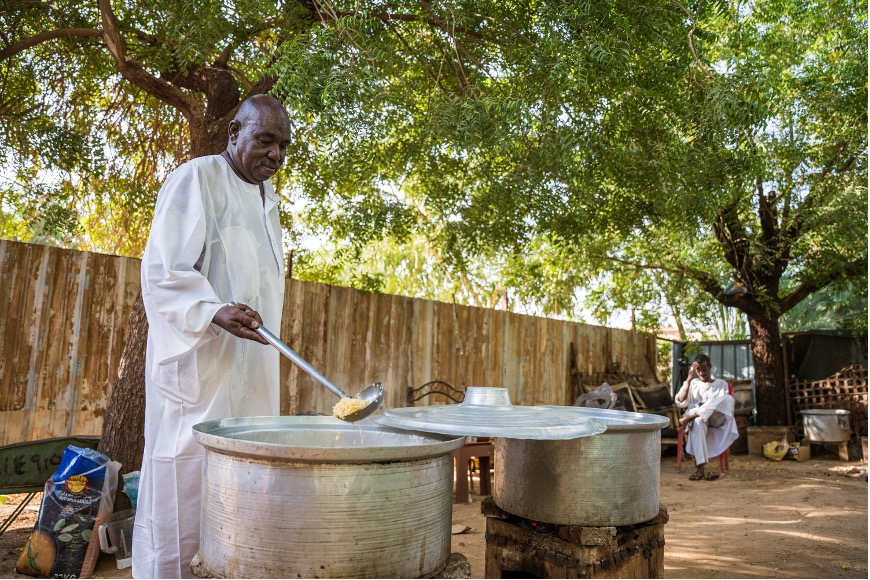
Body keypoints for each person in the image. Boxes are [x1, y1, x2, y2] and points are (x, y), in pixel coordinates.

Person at [131, 94, 292, 579]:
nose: (276, 155)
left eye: (284, 146)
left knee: (247, 483)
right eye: (266, 140)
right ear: (234, 132)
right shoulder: (197, 177)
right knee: (187, 482)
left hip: (254, 372)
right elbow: (162, 269)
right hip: (199, 369)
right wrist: (212, 311)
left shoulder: (269, 202)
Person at [674, 353, 739, 481]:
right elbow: (680, 400)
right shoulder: (693, 384)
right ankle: (700, 469)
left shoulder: (721, 384)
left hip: (716, 420)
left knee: (727, 399)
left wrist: (694, 413)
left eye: (704, 369)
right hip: (701, 420)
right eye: (698, 370)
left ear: (710, 367)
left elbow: (724, 406)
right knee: (698, 421)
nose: (702, 373)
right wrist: (688, 378)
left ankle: (692, 416)